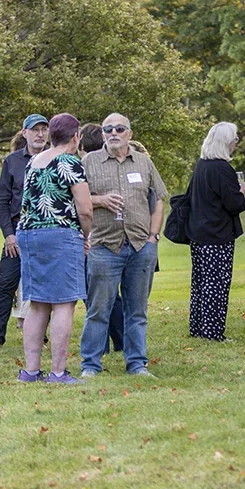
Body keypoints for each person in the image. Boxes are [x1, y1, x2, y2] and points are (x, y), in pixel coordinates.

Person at [80, 113, 167, 376]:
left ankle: (137, 364)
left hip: (141, 246)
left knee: (137, 311)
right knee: (98, 310)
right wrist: (101, 200)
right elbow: (78, 200)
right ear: (103, 134)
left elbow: (159, 200)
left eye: (119, 128)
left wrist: (153, 237)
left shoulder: (144, 162)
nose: (113, 133)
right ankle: (90, 366)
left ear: (129, 133)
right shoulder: (88, 162)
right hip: (104, 246)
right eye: (108, 129)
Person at [15, 113, 93, 383]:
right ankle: (58, 372)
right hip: (59, 233)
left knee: (37, 303)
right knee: (63, 304)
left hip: (28, 234)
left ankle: (31, 370)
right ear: (76, 137)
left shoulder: (34, 161)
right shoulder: (70, 161)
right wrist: (86, 235)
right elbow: (85, 209)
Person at [0, 114, 49, 352]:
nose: (40, 134)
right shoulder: (12, 162)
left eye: (44, 129)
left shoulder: (57, 160)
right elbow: (2, 203)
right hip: (17, 233)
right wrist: (9, 235)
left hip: (46, 233)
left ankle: (40, 335)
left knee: (43, 285)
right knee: (6, 284)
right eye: (35, 130)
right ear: (25, 133)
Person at [186, 122, 245, 341]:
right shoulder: (222, 168)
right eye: (234, 140)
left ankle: (198, 328)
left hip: (199, 233)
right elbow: (234, 204)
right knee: (217, 284)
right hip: (217, 235)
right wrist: (241, 191)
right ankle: (213, 333)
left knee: (201, 283)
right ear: (226, 142)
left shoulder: (202, 165)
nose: (235, 144)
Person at [79, 123, 123, 356]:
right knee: (107, 296)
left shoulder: (86, 167)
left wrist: (99, 200)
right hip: (108, 238)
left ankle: (106, 344)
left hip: (95, 238)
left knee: (96, 297)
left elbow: (81, 201)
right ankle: (119, 340)